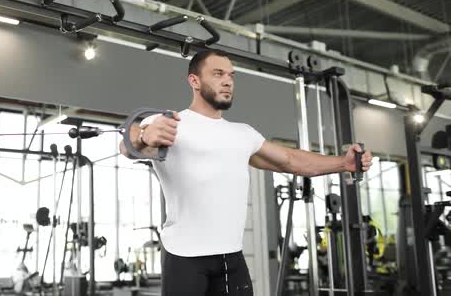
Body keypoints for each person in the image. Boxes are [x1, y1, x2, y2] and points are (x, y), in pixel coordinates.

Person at [119, 49, 373, 296]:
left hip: (231, 257)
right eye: (218, 74)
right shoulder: (169, 124)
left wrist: (344, 163)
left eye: (231, 75)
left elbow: (291, 161)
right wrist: (143, 135)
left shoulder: (243, 133)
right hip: (184, 257)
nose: (228, 81)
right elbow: (127, 146)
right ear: (194, 81)